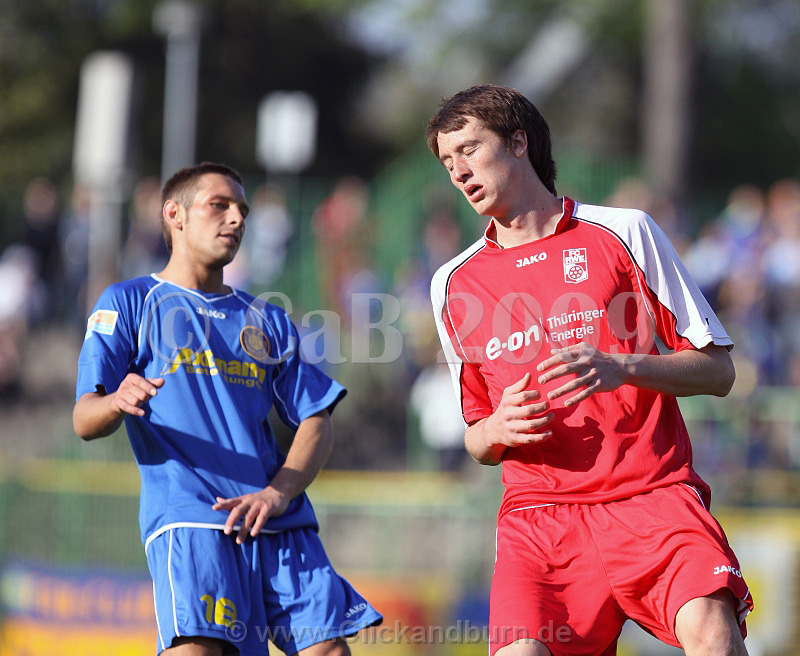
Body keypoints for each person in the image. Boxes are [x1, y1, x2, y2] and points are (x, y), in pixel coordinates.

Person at [426, 85, 752, 656]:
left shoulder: (625, 232)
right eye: (447, 160)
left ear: (519, 142)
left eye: (470, 149)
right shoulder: (452, 283)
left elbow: (718, 371)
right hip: (540, 520)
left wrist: (623, 366)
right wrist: (497, 428)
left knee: (713, 637)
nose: (458, 170)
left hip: (652, 498)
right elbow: (477, 436)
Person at [73, 162, 382, 656]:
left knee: (328, 649)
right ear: (174, 214)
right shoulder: (130, 302)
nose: (236, 219)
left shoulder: (266, 318)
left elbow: (317, 419)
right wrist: (115, 400)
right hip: (194, 521)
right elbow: (84, 418)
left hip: (277, 520)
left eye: (242, 210)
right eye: (219, 205)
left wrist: (279, 492)